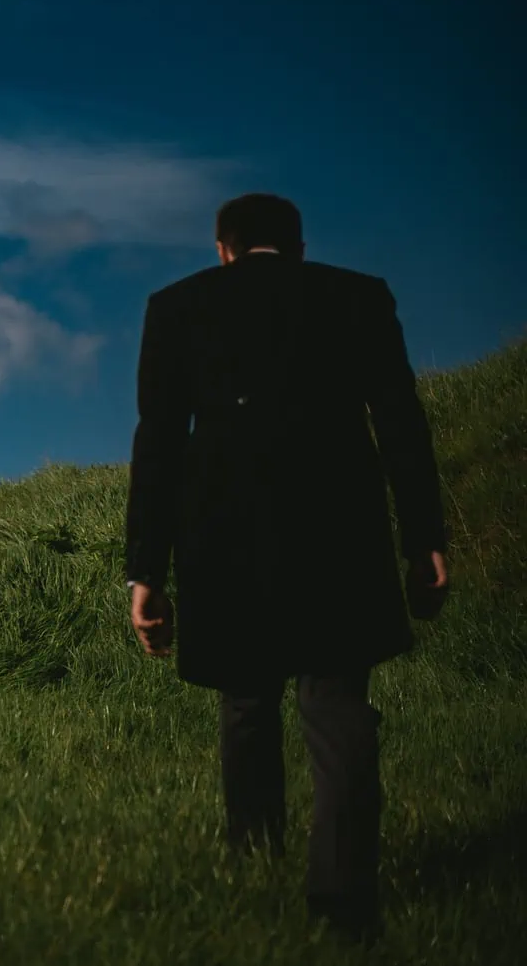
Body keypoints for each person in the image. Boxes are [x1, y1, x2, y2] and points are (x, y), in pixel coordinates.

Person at [124, 193, 449, 942]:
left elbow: (161, 441)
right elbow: (401, 421)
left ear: (222, 248)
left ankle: (256, 857)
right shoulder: (358, 296)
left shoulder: (178, 307)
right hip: (340, 527)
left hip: (225, 531)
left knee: (245, 696)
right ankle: (341, 900)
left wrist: (147, 568)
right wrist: (425, 538)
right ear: (299, 247)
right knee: (337, 707)